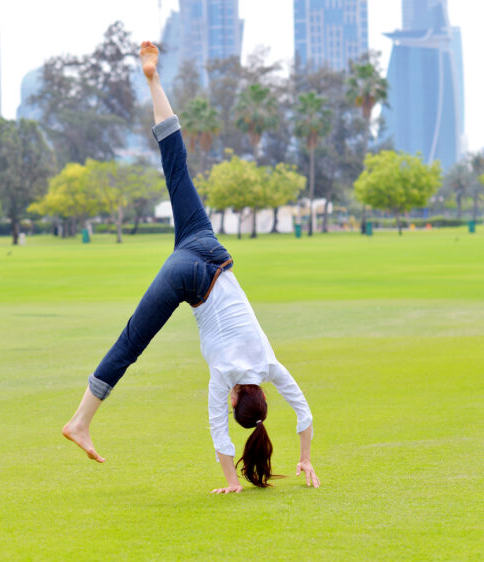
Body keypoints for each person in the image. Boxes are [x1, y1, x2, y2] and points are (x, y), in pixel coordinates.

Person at [62, 41, 320, 492]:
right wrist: (232, 481)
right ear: (239, 397)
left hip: (208, 247)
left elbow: (304, 412)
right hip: (188, 276)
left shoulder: (268, 363)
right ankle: (80, 420)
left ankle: (153, 79)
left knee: (176, 166)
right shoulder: (223, 379)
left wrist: (306, 457)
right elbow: (219, 433)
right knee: (131, 341)